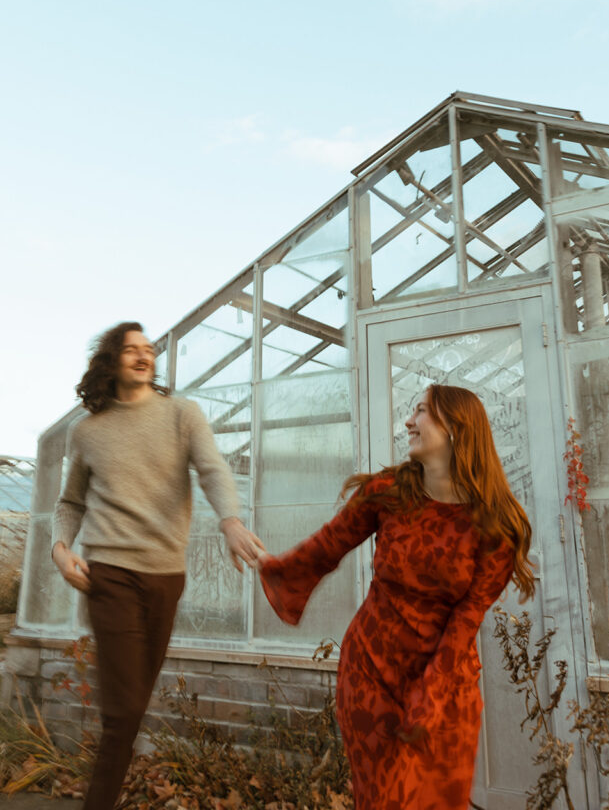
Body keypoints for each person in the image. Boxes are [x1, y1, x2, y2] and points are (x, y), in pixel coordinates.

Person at [258, 384, 535, 810]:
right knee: (384, 799)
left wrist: (432, 693)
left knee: (441, 801)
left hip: (447, 685)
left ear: (456, 429)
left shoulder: (497, 524)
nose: (408, 421)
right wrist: (271, 564)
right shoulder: (389, 490)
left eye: (421, 411)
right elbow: (327, 546)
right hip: (371, 672)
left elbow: (467, 617)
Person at [52, 321, 265, 810]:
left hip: (166, 576)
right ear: (112, 361)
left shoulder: (181, 415)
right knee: (122, 713)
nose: (144, 356)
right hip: (110, 574)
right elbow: (70, 503)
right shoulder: (86, 432)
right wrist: (60, 549)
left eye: (149, 349)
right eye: (131, 350)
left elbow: (213, 469)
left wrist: (230, 521)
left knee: (131, 709)